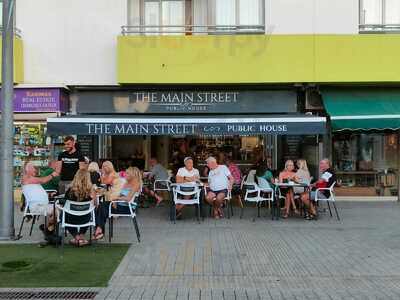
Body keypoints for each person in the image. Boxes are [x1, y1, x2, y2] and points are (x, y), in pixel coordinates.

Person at [94, 167, 142, 240]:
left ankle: (99, 230)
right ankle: (99, 230)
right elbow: (121, 195)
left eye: (127, 173)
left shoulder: (136, 184)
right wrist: (114, 202)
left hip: (128, 208)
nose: (125, 174)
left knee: (102, 208)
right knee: (101, 206)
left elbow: (128, 199)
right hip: (119, 204)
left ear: (133, 175)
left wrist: (116, 199)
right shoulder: (126, 183)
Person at [64, 169, 96, 246]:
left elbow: (65, 204)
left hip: (71, 219)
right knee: (89, 213)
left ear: (76, 177)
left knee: (63, 214)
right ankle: (81, 237)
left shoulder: (70, 190)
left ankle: (77, 237)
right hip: (85, 219)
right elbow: (95, 205)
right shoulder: (91, 192)